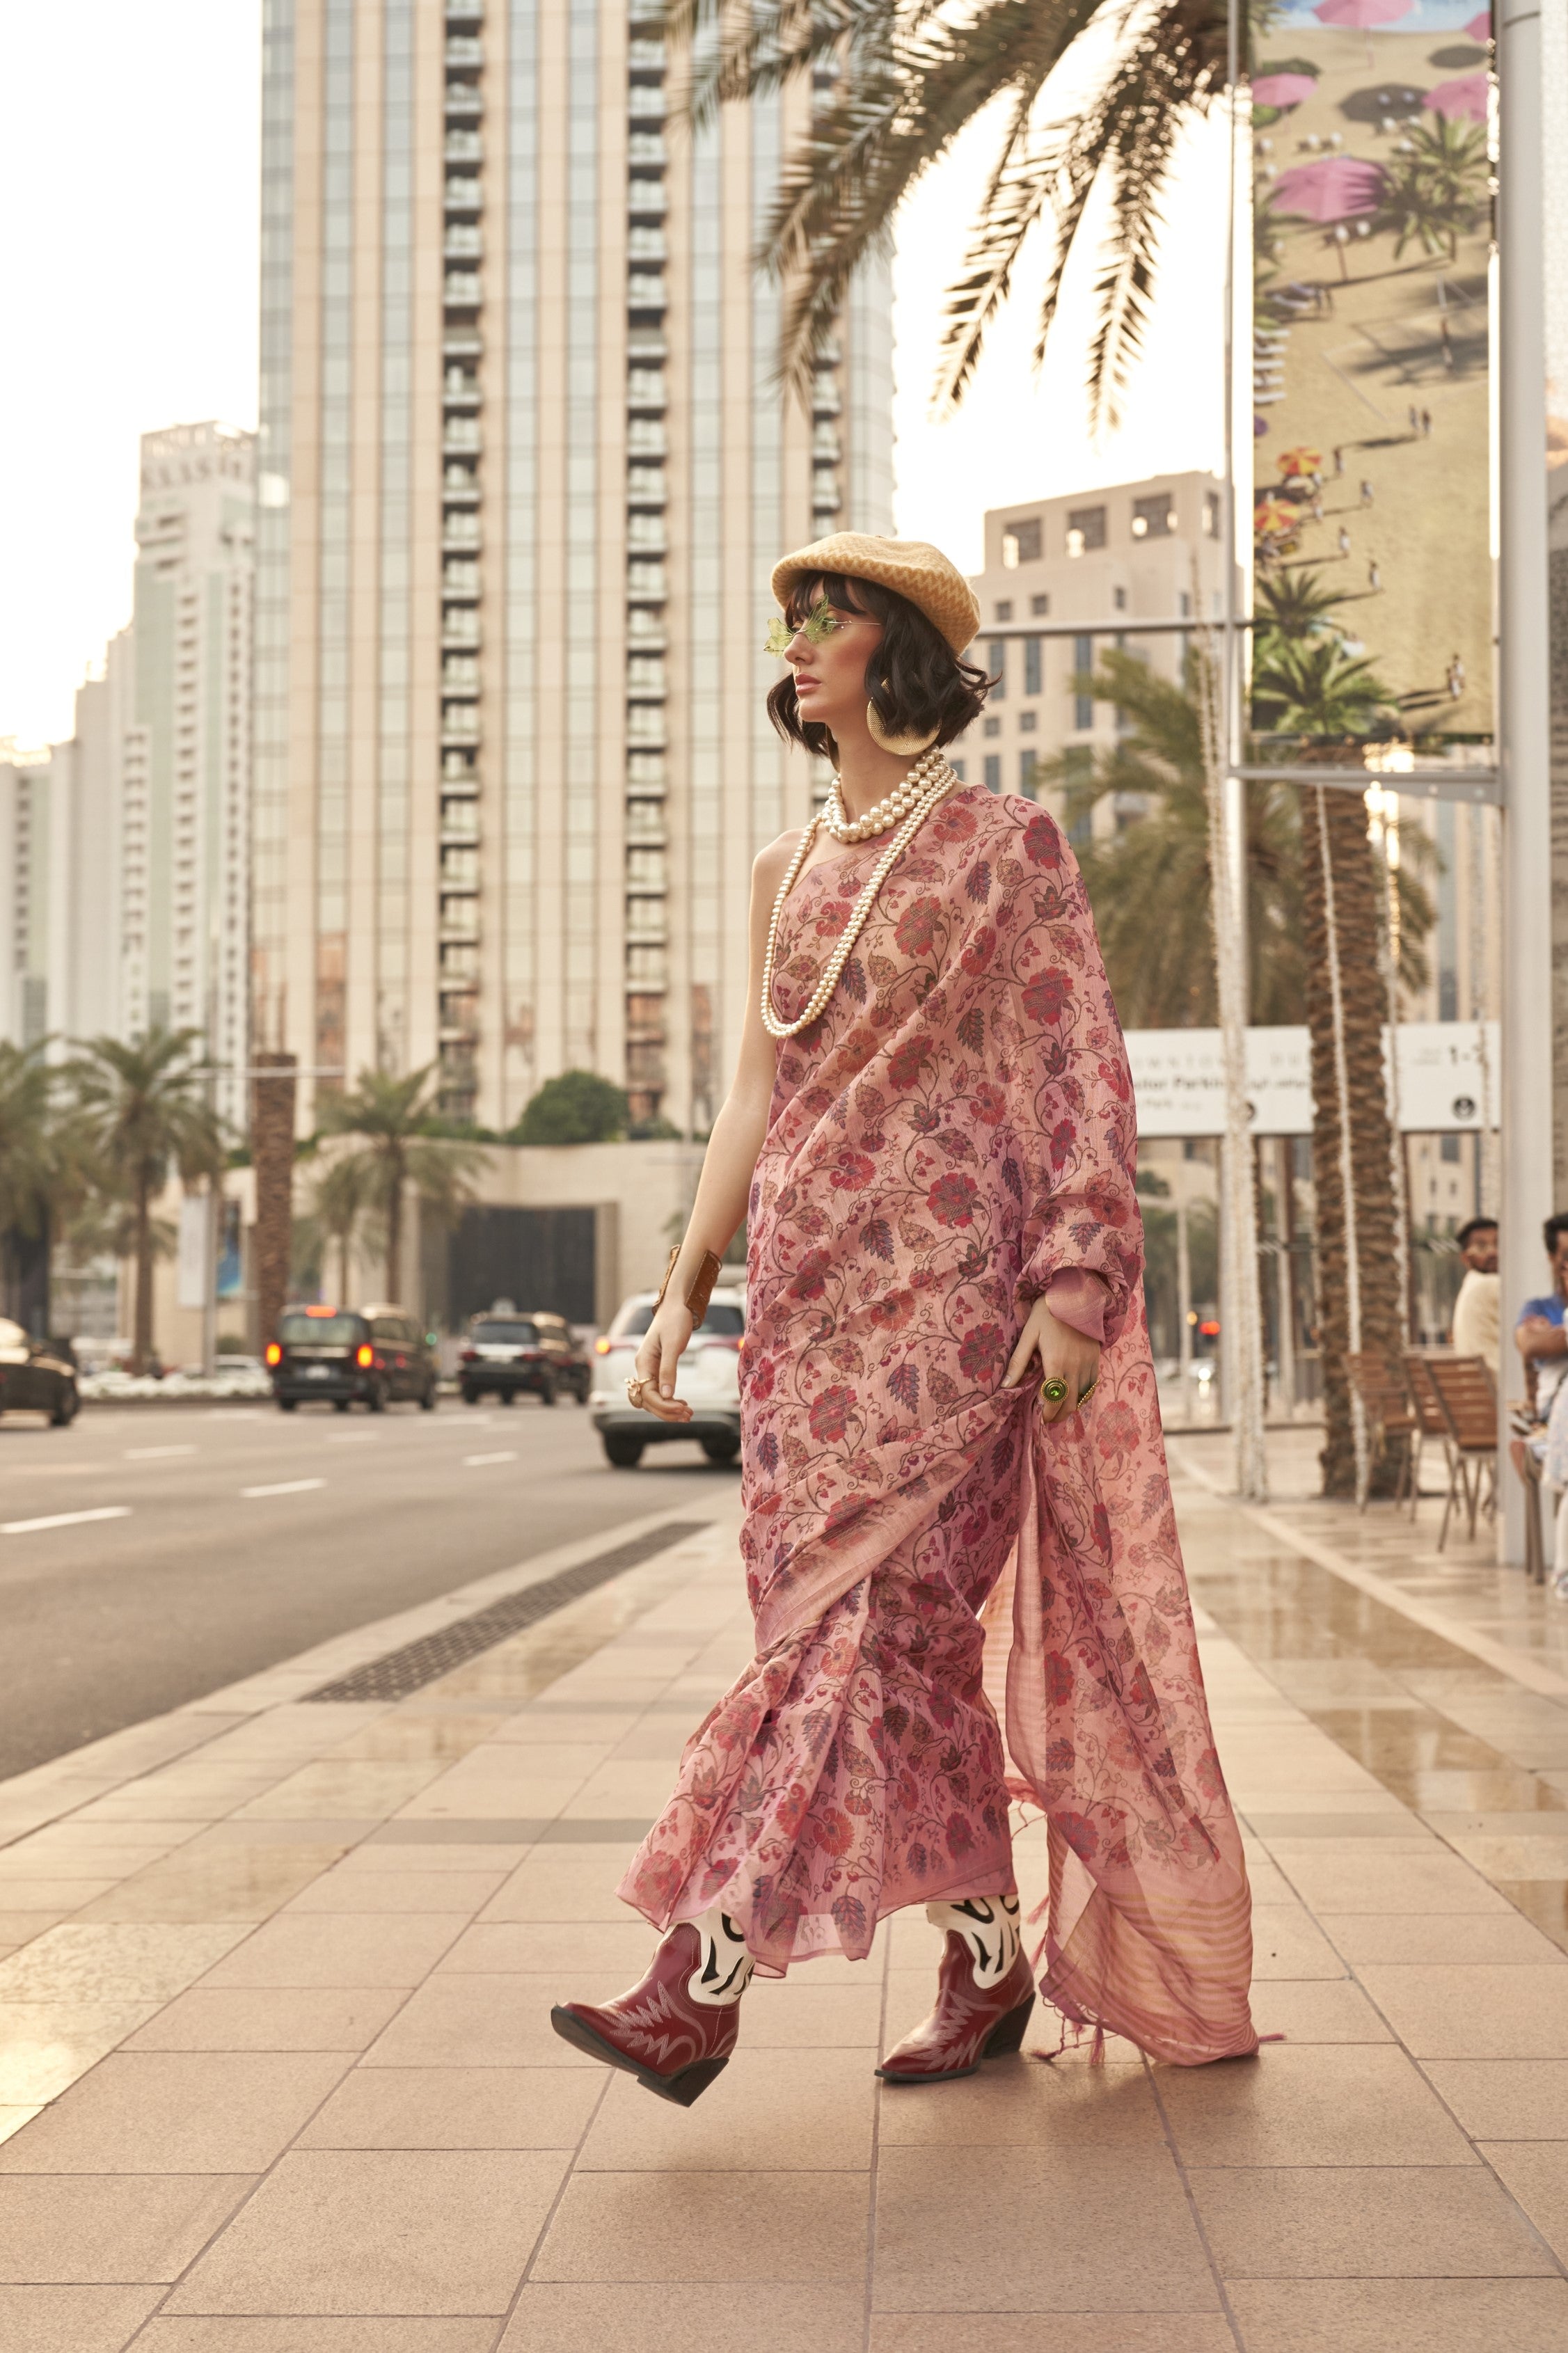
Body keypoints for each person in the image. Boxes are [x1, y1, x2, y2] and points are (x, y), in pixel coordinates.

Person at [550, 534, 1258, 2105]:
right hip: (807, 1317)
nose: (799, 644)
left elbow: (1079, 1063)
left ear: (906, 649)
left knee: (861, 1632)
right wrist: (683, 1285)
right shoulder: (781, 870)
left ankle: (699, 1977)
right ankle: (990, 1955)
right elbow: (756, 1090)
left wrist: (1077, 1279)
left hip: (952, 1307)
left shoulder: (1010, 844)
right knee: (888, 1656)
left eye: (832, 618)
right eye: (792, 620)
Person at [1517, 1214, 1568, 1419]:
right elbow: (1529, 1345)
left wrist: (1557, 1336)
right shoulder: (1539, 1308)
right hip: (1558, 1407)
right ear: (1553, 1260)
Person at [1450, 1215, 1498, 1372]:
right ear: (1465, 1258)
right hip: (1500, 1388)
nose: (1493, 1252)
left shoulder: (1470, 1285)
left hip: (1477, 1387)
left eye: (1498, 1244)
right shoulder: (1491, 1285)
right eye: (1482, 1247)